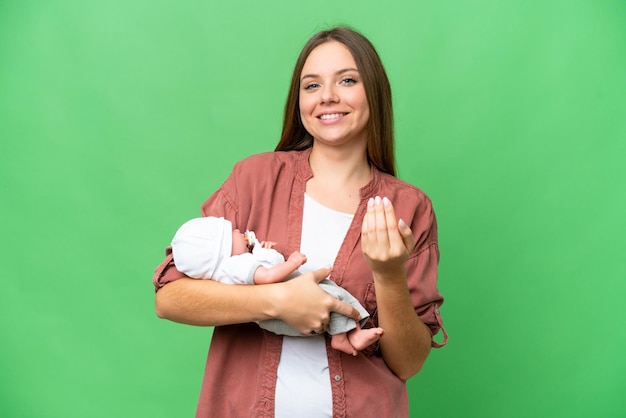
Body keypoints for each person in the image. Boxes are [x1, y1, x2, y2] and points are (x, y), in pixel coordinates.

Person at [153, 26, 448, 418]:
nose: (327, 96)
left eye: (347, 80)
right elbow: (170, 298)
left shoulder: (409, 207)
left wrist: (389, 274)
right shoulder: (254, 179)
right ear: (299, 102)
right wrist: (276, 300)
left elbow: (408, 362)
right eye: (311, 86)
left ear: (373, 92)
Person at [170, 215, 384, 355]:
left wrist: (263, 250)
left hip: (284, 307)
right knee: (331, 298)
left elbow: (260, 269)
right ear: (223, 250)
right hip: (280, 314)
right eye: (233, 233)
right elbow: (267, 277)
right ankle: (343, 338)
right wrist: (293, 262)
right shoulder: (236, 265)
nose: (239, 232)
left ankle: (353, 332)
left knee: (335, 295)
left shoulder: (239, 262)